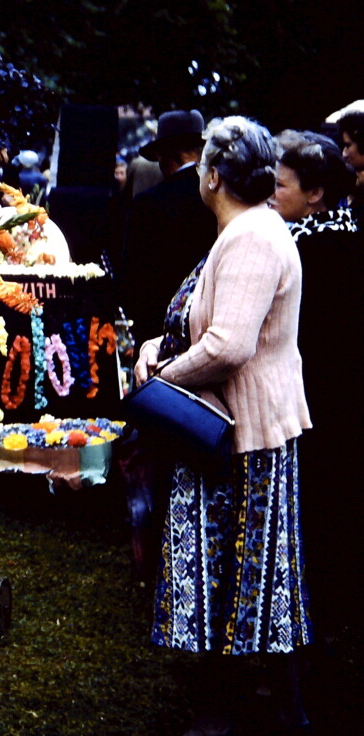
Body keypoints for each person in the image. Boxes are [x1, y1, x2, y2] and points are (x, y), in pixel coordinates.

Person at [135, 117, 312, 736]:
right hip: (230, 427)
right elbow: (206, 321)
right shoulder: (248, 228)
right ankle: (265, 704)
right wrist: (158, 346)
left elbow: (229, 345)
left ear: (212, 176)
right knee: (250, 576)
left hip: (238, 433)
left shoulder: (252, 237)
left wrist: (161, 378)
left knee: (239, 577)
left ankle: (231, 711)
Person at [270, 134, 360, 648]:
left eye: (280, 186)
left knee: (312, 517)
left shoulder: (299, 250)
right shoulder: (349, 236)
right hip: (343, 402)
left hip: (309, 402)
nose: (271, 194)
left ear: (315, 194)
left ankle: (309, 630)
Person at [120, 109, 214, 347]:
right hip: (209, 326)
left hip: (158, 331)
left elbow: (131, 278)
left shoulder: (148, 203)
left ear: (164, 155)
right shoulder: (218, 197)